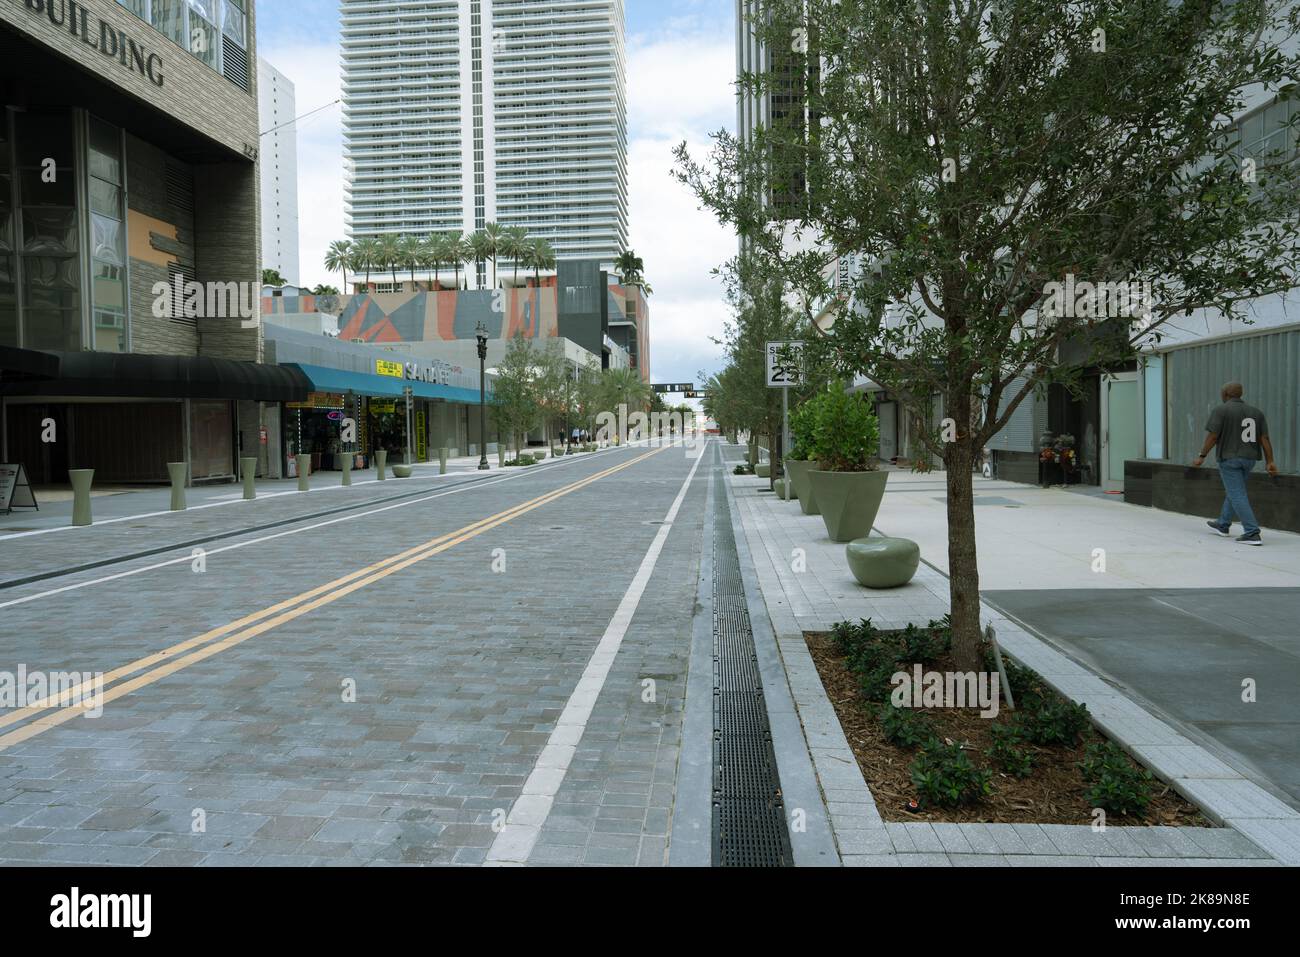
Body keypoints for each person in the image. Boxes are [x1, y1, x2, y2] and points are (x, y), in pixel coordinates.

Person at [1194, 381, 1278, 546]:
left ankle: (1252, 532)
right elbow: (1264, 439)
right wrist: (1270, 461)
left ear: (1225, 394)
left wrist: (1202, 455)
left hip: (1230, 458)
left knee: (1237, 494)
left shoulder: (1221, 410)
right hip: (1250, 459)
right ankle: (1223, 524)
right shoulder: (1256, 413)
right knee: (1235, 492)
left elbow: (1213, 436)